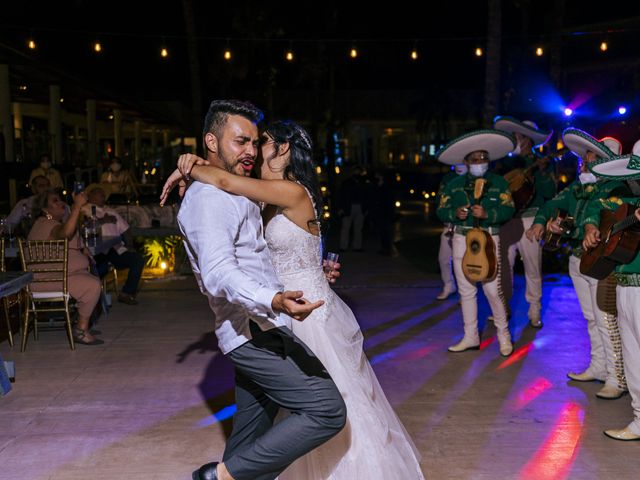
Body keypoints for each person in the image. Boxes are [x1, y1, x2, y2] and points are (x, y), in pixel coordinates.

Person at [162, 115, 424, 479]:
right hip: (276, 311)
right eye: (248, 143)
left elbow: (224, 179)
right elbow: (263, 244)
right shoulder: (257, 194)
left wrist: (190, 169)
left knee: (330, 407)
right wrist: (194, 165)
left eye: (262, 142)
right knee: (264, 419)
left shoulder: (291, 190)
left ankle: (219, 475)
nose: (254, 150)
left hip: (305, 313)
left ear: (283, 148)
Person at [167, 100, 346, 480]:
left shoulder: (238, 192)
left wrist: (192, 167)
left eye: (253, 142)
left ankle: (227, 474)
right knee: (326, 409)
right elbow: (218, 272)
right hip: (252, 333)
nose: (250, 151)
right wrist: (274, 298)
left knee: (249, 442)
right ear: (211, 141)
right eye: (240, 142)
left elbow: (261, 252)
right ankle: (215, 477)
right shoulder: (210, 198)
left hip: (266, 326)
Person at [526, 129, 629, 400]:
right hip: (577, 259)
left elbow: (601, 217)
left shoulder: (616, 188)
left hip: (602, 262)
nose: (585, 160)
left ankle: (616, 377)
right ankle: (598, 366)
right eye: (585, 156)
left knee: (606, 319)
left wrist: (582, 226)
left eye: (592, 155)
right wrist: (542, 221)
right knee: (591, 318)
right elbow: (553, 203)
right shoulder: (578, 186)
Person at [436, 129, 516, 356]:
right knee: (466, 291)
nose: (480, 162)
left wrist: (488, 213)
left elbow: (508, 209)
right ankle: (470, 336)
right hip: (461, 238)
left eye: (484, 158)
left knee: (492, 290)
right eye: (475, 159)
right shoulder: (453, 184)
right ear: (466, 161)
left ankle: (504, 336)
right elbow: (441, 210)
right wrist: (455, 213)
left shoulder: (499, 183)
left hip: (489, 238)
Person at [583, 141, 640, 440]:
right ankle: (639, 420)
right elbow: (596, 208)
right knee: (632, 358)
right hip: (624, 285)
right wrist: (592, 227)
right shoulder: (624, 199)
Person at [493, 116, 556, 327]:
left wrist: (543, 171)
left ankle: (534, 308)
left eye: (519, 137)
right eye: (514, 136)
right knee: (503, 265)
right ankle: (503, 307)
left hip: (531, 219)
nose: (515, 140)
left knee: (532, 266)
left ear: (528, 140)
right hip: (508, 220)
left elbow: (549, 192)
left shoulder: (543, 163)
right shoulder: (506, 163)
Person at [27, 189, 103, 345]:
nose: (61, 202)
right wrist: (76, 207)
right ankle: (81, 330)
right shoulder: (45, 224)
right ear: (44, 209)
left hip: (61, 275)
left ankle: (80, 322)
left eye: (60, 199)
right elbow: (66, 233)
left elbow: (70, 237)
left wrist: (83, 249)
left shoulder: (53, 224)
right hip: (48, 278)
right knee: (92, 285)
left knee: (92, 278)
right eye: (55, 201)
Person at [83, 186, 145, 305]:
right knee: (100, 267)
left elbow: (126, 230)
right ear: (90, 196)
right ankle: (92, 295)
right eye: (99, 193)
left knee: (137, 260)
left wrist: (130, 245)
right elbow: (84, 227)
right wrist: (103, 221)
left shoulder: (111, 211)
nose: (102, 195)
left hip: (115, 248)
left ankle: (126, 293)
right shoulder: (84, 210)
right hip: (96, 249)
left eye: (103, 193)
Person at [436, 164, 467, 300]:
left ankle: (464, 291)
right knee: (443, 258)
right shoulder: (448, 178)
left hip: (465, 227)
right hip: (449, 225)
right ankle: (449, 285)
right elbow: (440, 201)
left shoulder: (472, 178)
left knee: (464, 261)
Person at [338, 166, 369, 252]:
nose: (357, 174)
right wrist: (340, 208)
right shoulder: (346, 183)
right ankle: (343, 246)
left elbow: (367, 196)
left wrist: (366, 208)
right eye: (356, 172)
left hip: (360, 207)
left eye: (359, 172)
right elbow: (341, 195)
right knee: (345, 227)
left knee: (358, 228)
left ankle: (357, 246)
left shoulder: (363, 183)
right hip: (348, 207)